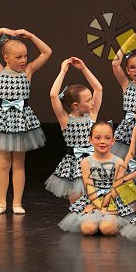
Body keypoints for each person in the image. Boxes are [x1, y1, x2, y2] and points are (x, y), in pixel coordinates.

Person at [0, 27, 51, 215]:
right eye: (18, 57)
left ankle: (17, 203)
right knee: (3, 163)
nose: (23, 60)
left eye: (25, 56)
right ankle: (1, 203)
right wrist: (0, 31)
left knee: (19, 164)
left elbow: (47, 52)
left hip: (21, 121)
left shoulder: (28, 71)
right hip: (2, 121)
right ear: (6, 57)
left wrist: (32, 36)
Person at [58, 121, 134, 236]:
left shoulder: (119, 162)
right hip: (93, 199)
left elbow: (116, 188)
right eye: (98, 138)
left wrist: (105, 207)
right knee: (88, 229)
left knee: (107, 229)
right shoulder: (86, 162)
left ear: (113, 141)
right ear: (90, 140)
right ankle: (96, 221)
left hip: (112, 200)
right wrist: (96, 205)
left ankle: (108, 223)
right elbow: (90, 188)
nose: (102, 141)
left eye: (107, 138)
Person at [45, 57, 103, 203]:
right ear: (76, 105)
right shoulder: (65, 119)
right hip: (74, 164)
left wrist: (83, 68)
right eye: (88, 100)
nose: (92, 102)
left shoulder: (91, 115)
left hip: (93, 161)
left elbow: (98, 89)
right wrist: (63, 71)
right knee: (76, 201)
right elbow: (53, 95)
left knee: (95, 199)